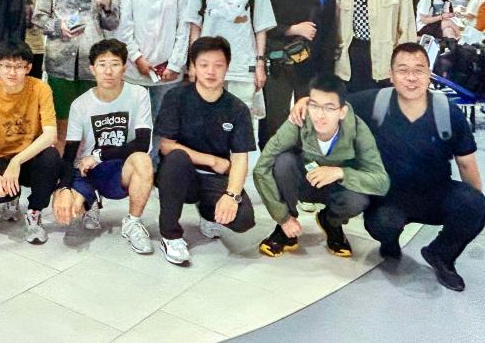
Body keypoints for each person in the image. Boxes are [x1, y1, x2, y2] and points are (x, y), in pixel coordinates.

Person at [292, 43, 484, 292]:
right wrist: (308, 100)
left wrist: (473, 211)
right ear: (391, 75)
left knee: (476, 205)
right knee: (384, 224)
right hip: (389, 197)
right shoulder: (376, 102)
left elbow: (466, 164)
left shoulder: (447, 112)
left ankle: (441, 254)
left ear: (429, 74)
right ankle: (389, 241)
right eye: (403, 70)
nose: (411, 77)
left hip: (435, 192)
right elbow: (335, 104)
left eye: (419, 70)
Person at [254, 74, 389, 258]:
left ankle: (331, 222)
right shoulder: (299, 120)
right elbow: (261, 167)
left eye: (329, 108)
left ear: (342, 112)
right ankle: (285, 229)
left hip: (336, 188)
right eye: (315, 106)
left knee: (358, 199)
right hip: (304, 182)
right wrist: (283, 217)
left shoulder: (358, 130)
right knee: (283, 162)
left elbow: (381, 181)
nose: (320, 115)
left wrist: (340, 172)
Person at [153, 36, 257, 265]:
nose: (211, 71)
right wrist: (212, 160)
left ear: (227, 67)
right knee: (177, 158)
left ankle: (209, 212)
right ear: (193, 68)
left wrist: (231, 196)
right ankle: (170, 236)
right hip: (180, 174)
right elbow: (167, 146)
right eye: (204, 65)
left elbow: (240, 158)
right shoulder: (176, 97)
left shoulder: (237, 109)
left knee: (243, 219)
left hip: (214, 179)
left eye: (218, 65)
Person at [52, 39, 155, 254]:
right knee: (71, 210)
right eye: (102, 64)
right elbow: (70, 153)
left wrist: (99, 155)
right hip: (88, 170)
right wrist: (63, 188)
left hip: (119, 170)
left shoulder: (138, 94)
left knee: (143, 160)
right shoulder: (80, 104)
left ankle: (133, 223)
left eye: (115, 64)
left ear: (124, 68)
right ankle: (91, 200)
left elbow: (142, 143)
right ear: (92, 69)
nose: (108, 71)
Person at [32, 0, 120, 137]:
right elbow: (38, 18)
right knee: (60, 125)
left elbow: (112, 24)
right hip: (59, 64)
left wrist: (107, 4)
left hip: (92, 65)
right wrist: (58, 25)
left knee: (92, 124)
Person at [0, 41, 61, 244]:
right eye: (6, 66)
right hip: (2, 156)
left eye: (19, 66)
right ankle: (10, 200)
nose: (12, 72)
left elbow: (50, 135)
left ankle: (34, 212)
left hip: (31, 156)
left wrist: (17, 162)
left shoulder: (40, 88)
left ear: (28, 67)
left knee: (51, 158)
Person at [261, 0, 337, 147]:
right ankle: (274, 162)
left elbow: (329, 34)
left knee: (310, 120)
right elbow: (265, 25)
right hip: (279, 64)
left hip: (311, 66)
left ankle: (304, 162)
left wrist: (327, 76)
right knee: (275, 121)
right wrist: (293, 29)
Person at [115, 0, 189, 129]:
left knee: (165, 127)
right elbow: (124, 25)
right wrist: (137, 57)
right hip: (135, 70)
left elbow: (184, 28)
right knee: (134, 126)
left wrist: (175, 64)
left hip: (168, 73)